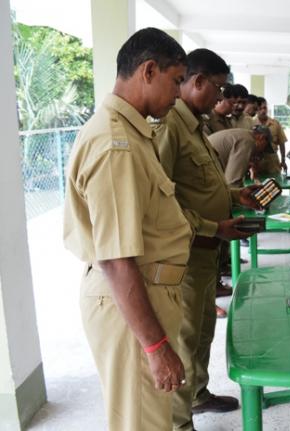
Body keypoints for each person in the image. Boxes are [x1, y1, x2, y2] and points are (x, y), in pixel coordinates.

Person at [63, 27, 190, 431]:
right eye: (176, 81)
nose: (179, 94)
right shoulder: (115, 144)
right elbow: (116, 260)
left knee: (148, 418)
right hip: (133, 302)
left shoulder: (131, 133)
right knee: (142, 423)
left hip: (145, 294)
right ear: (148, 71)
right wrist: (156, 347)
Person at [153, 48, 262, 431]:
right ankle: (179, 423)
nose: (220, 97)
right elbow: (162, 203)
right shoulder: (169, 128)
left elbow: (201, 186)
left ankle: (198, 395)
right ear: (197, 81)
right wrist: (216, 228)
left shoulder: (195, 126)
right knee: (183, 342)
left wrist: (236, 195)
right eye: (217, 88)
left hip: (205, 254)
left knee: (202, 334)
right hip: (185, 255)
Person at [208, 125, 274, 186]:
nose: (262, 151)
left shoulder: (244, 134)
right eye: (265, 147)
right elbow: (233, 181)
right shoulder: (248, 142)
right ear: (261, 137)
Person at [254, 96, 288, 172]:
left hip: (273, 161)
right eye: (260, 109)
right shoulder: (252, 124)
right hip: (257, 162)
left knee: (275, 179)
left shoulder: (275, 123)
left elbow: (282, 143)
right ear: (256, 110)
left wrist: (283, 160)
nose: (263, 111)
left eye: (265, 108)